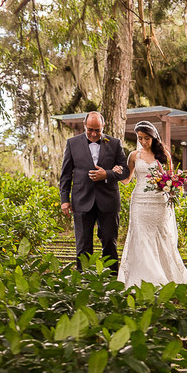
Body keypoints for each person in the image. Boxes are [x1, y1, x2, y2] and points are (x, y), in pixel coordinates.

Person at [113, 120, 187, 289]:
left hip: (158, 202)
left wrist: (172, 186)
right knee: (140, 236)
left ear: (153, 137)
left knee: (160, 237)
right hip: (139, 201)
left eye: (146, 138)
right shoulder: (133, 156)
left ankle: (163, 276)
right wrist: (117, 173)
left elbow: (171, 178)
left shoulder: (164, 155)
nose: (143, 142)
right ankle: (142, 279)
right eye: (140, 138)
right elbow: (127, 180)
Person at [59, 111, 130, 269]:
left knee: (109, 243)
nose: (93, 133)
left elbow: (125, 170)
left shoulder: (114, 143)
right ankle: (85, 281)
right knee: (83, 245)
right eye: (90, 129)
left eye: (97, 130)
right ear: (84, 125)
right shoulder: (72, 143)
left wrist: (107, 174)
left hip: (108, 202)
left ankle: (111, 282)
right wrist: (64, 200)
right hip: (81, 200)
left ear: (103, 126)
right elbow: (65, 175)